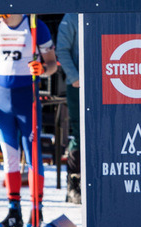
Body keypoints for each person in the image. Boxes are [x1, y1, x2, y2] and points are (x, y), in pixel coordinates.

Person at [0, 14, 58, 227]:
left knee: (32, 154)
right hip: (2, 99)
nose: (2, 14)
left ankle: (36, 211)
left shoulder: (34, 26)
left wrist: (42, 69)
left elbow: (52, 64)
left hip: (26, 98)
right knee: (9, 156)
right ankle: (14, 211)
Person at [56, 13, 81, 205]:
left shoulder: (108, 11)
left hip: (108, 85)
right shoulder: (72, 16)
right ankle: (74, 184)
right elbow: (62, 50)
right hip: (78, 87)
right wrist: (74, 78)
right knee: (79, 133)